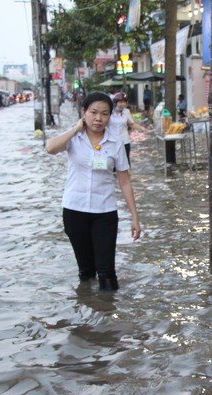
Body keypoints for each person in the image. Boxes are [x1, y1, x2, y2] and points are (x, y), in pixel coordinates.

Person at [46, 91, 141, 291]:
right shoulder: (73, 139)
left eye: (104, 114)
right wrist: (75, 128)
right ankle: (86, 313)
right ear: (84, 112)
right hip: (74, 211)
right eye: (93, 112)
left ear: (110, 116)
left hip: (104, 212)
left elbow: (124, 181)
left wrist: (134, 216)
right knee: (86, 271)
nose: (98, 118)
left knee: (107, 272)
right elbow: (50, 148)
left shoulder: (116, 143)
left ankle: (108, 315)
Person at [108, 92, 148, 166]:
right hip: (112, 142)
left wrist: (142, 128)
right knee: (112, 164)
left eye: (124, 102)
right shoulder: (109, 113)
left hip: (124, 141)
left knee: (126, 164)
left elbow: (131, 123)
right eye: (120, 102)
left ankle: (127, 177)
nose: (122, 104)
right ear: (115, 103)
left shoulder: (126, 112)